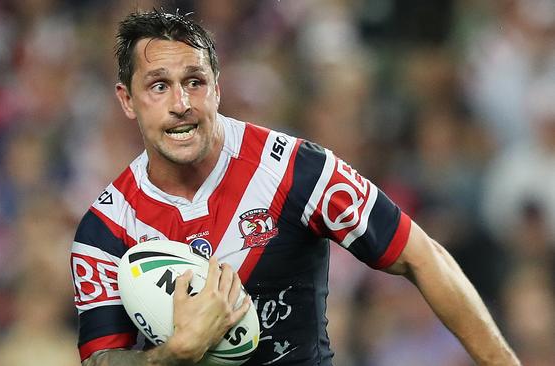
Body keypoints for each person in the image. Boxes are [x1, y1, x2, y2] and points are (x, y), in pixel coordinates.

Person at [70, 10, 520, 366]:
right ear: (127, 100)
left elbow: (421, 256)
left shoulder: (295, 170)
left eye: (194, 82)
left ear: (217, 89)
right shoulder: (104, 230)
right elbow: (102, 360)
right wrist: (174, 355)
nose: (182, 105)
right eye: (158, 87)